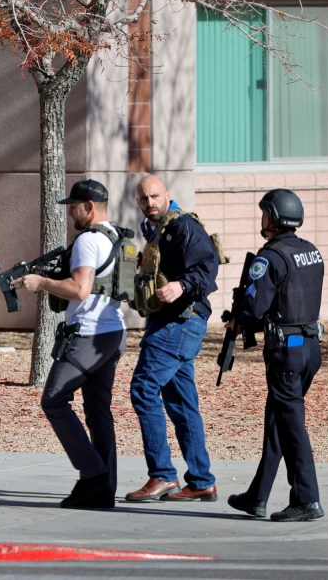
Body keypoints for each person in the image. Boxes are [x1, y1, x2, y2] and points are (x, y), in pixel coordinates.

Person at [14, 179, 126, 509]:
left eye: (74, 206)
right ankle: (103, 489)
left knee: (54, 400)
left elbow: (79, 289)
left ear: (89, 207)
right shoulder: (116, 237)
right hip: (112, 332)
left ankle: (93, 476)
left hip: (88, 335)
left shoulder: (88, 241)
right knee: (97, 411)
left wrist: (41, 282)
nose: (71, 213)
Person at [227, 189, 325, 522]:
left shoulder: (269, 257)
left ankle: (306, 499)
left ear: (272, 217)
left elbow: (255, 307)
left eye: (264, 214)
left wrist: (239, 315)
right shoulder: (310, 252)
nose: (262, 220)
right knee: (279, 422)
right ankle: (257, 496)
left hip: (287, 354)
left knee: (292, 425)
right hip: (311, 348)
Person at [126, 174, 218, 503]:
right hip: (169, 321)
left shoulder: (182, 227)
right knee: (180, 401)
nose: (149, 203)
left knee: (143, 388)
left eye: (154, 196)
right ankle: (201, 481)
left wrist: (181, 285)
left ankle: (162, 476)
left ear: (167, 194)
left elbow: (207, 266)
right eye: (143, 199)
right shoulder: (156, 229)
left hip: (179, 322)